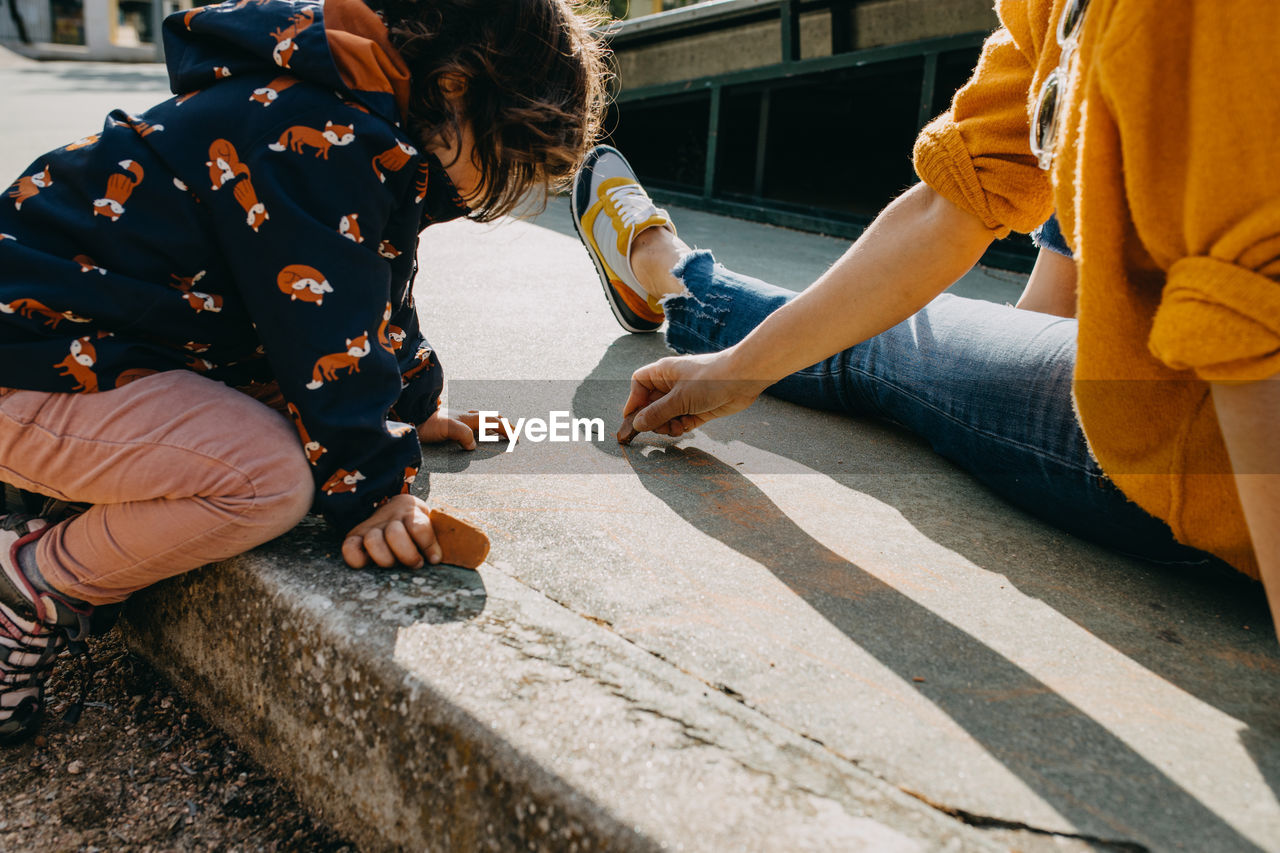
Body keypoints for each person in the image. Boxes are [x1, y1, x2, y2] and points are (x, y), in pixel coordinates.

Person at [572, 0, 1280, 640]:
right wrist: (736, 372)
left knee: (895, 340)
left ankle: (674, 276)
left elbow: (1256, 336)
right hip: (1193, 397)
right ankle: (1017, 340)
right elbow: (952, 203)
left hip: (1215, 458)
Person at [0, 0, 607, 743]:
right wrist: (376, 491)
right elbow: (322, 338)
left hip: (66, 346)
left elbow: (364, 295)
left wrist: (414, 407)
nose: (491, 194)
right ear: (455, 88)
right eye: (507, 157)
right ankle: (29, 582)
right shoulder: (323, 132)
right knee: (267, 482)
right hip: (30, 361)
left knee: (275, 421)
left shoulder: (333, 105)